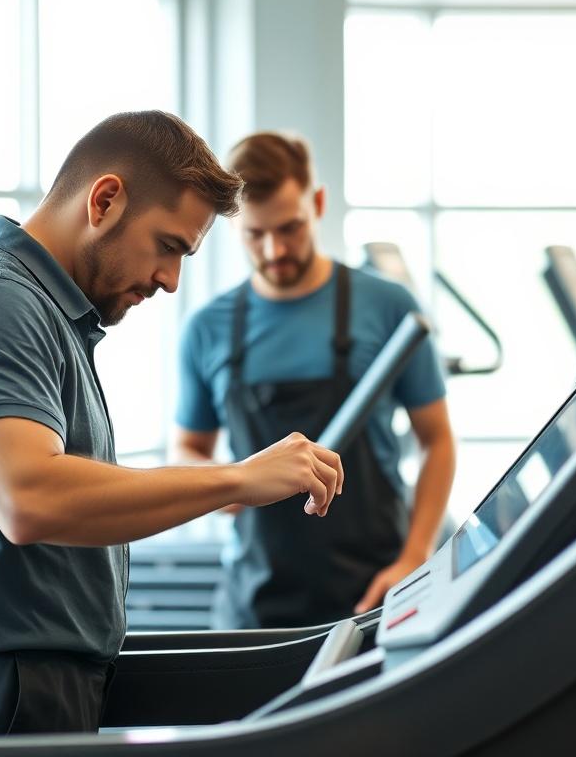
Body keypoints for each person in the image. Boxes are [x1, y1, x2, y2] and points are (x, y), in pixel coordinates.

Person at [0, 112, 344, 741]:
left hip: (23, 688)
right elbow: (28, 497)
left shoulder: (47, 316)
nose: (170, 280)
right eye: (169, 246)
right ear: (105, 200)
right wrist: (236, 480)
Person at [173, 132, 456, 629]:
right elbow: (187, 451)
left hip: (377, 591)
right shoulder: (207, 328)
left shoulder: (390, 308)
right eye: (255, 235)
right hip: (255, 603)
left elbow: (437, 440)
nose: (275, 249)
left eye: (290, 228)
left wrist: (416, 554)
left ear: (318, 203)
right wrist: (226, 487)